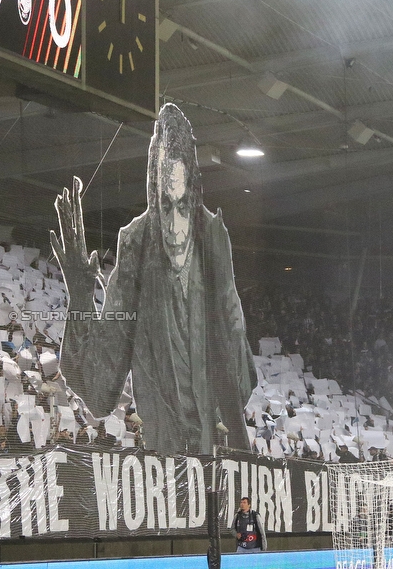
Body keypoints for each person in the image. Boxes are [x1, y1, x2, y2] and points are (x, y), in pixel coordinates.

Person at [50, 103, 256, 456]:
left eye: (182, 207)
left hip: (220, 452)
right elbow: (100, 392)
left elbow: (240, 375)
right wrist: (81, 297)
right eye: (164, 205)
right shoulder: (136, 243)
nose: (175, 228)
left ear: (193, 198)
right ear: (152, 196)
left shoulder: (213, 238)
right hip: (164, 456)